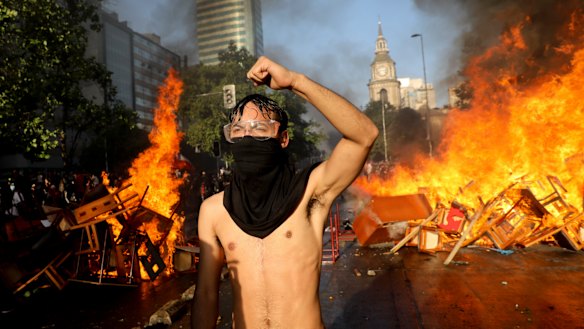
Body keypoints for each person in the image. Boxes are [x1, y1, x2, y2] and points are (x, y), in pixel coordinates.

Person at [191, 56, 379, 329]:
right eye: (239, 129)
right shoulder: (213, 210)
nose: (247, 137)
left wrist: (295, 81)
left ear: (283, 139)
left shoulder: (309, 193)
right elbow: (206, 294)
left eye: (259, 129)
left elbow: (364, 135)